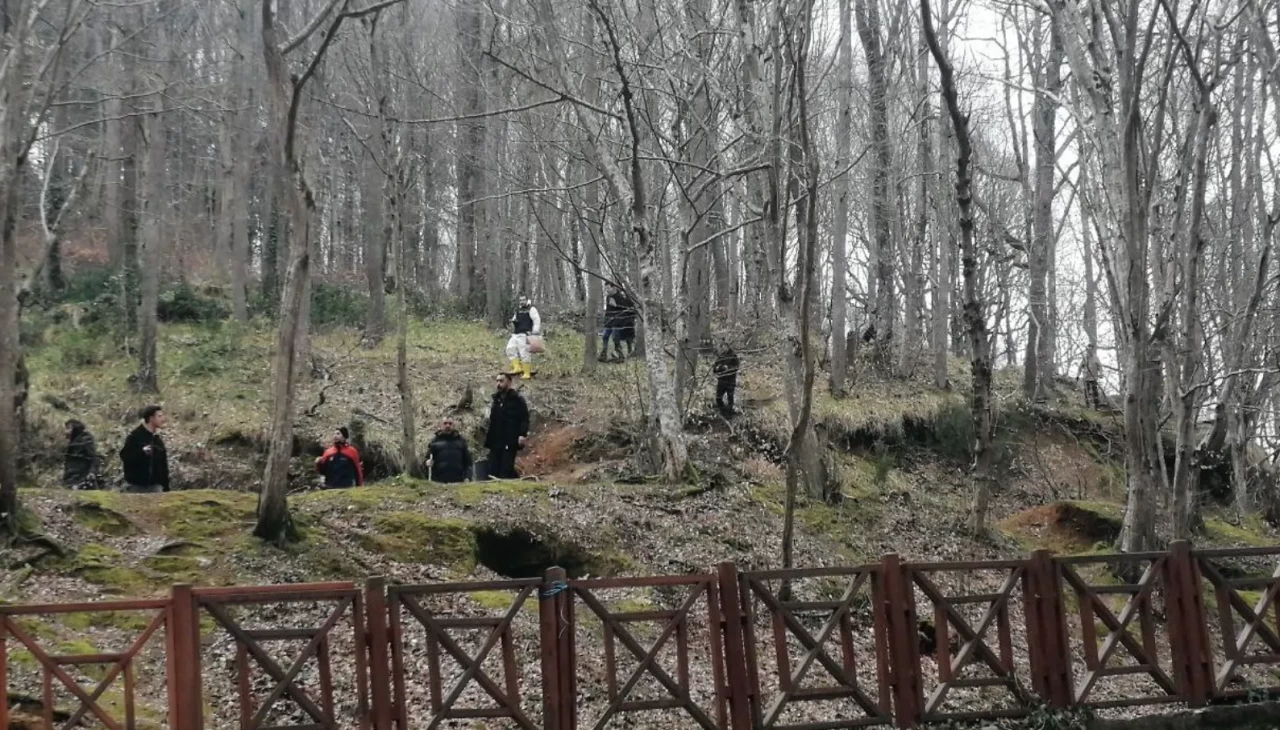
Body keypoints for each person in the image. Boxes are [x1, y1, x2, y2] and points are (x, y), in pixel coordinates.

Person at [484, 372, 529, 479]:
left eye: (501, 381)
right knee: (493, 469)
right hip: (495, 440)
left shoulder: (517, 400)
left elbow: (524, 418)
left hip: (510, 439)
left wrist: (522, 434)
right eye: (497, 381)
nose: (498, 384)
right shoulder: (496, 400)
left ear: (509, 382)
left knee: (506, 469)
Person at [119, 405, 170, 493]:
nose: (163, 419)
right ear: (151, 418)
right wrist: (141, 452)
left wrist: (166, 488)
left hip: (156, 488)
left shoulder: (158, 441)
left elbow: (163, 467)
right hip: (137, 487)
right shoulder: (135, 436)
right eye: (159, 416)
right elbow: (125, 456)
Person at [427, 417, 473, 484]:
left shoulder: (461, 441)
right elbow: (426, 460)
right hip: (438, 483)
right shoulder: (434, 442)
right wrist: (427, 462)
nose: (448, 425)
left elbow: (468, 462)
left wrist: (468, 477)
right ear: (440, 425)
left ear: (453, 425)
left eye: (450, 423)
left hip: (458, 482)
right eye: (445, 423)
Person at [506, 296, 542, 381]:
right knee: (510, 348)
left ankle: (526, 372)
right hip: (516, 333)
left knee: (524, 352)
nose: (522, 302)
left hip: (525, 334)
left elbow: (536, 320)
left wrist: (535, 331)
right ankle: (517, 367)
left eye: (523, 300)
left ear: (527, 300)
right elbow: (515, 318)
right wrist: (513, 322)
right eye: (520, 300)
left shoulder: (531, 309)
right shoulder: (518, 310)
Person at [63, 419, 102, 490]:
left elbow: (94, 458)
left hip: (83, 478)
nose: (66, 432)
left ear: (75, 428)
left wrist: (92, 472)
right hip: (71, 479)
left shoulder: (85, 439)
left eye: (68, 428)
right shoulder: (72, 443)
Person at [601, 284, 635, 363]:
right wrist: (606, 320)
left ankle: (620, 355)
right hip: (609, 321)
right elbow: (608, 310)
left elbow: (627, 309)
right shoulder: (608, 297)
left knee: (616, 337)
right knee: (605, 336)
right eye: (605, 289)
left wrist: (616, 305)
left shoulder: (621, 297)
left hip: (618, 321)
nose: (607, 291)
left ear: (614, 288)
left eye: (608, 288)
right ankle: (603, 354)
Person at [713, 345, 740, 418]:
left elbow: (736, 367)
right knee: (718, 398)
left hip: (730, 381)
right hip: (721, 380)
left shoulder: (733, 356)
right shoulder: (721, 356)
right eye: (721, 347)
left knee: (730, 398)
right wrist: (717, 368)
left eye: (724, 346)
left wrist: (728, 368)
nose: (722, 348)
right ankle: (723, 412)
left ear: (727, 346)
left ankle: (730, 415)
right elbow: (714, 368)